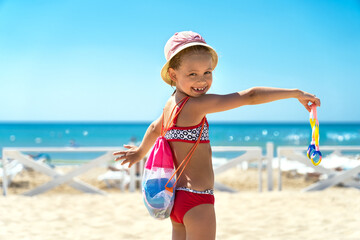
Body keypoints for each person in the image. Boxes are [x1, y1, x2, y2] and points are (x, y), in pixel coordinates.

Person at [113, 31, 321, 240]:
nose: (202, 80)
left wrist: (140, 152)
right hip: (197, 201)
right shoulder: (195, 105)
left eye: (207, 72)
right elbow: (250, 96)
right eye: (192, 74)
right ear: (174, 75)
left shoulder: (170, 106)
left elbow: (153, 128)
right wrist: (295, 93)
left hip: (176, 201)